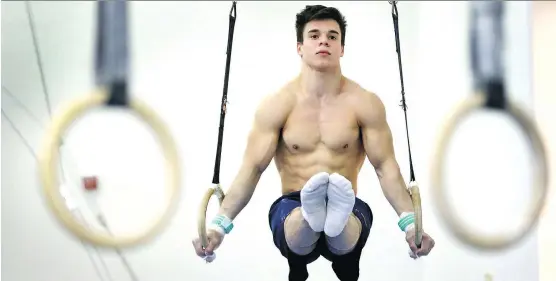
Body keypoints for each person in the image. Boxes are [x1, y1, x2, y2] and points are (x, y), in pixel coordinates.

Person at [192, 4, 435, 280]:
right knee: (299, 223)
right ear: (300, 47)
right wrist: (217, 226)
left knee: (345, 229)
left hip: (347, 202)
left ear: (342, 48)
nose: (324, 41)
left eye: (332, 36)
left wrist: (410, 224)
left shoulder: (364, 103)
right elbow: (251, 169)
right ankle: (313, 213)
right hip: (293, 202)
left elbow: (386, 168)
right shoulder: (278, 105)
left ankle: (331, 215)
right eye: (315, 35)